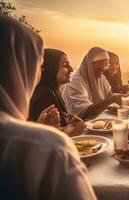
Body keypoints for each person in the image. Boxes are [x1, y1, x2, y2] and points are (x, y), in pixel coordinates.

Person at [0, 15, 96, 199]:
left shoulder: (53, 92)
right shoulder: (47, 147)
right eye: (36, 65)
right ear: (19, 69)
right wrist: (56, 137)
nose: (38, 73)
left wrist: (45, 130)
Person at [29, 49, 85, 136]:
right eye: (65, 65)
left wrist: (68, 120)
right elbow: (45, 136)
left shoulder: (51, 90)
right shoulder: (45, 95)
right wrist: (68, 132)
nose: (71, 69)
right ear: (50, 68)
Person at [63, 47, 123, 119]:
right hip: (78, 125)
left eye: (106, 64)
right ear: (90, 64)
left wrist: (121, 98)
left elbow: (110, 95)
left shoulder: (101, 78)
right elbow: (84, 112)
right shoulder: (76, 81)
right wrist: (111, 100)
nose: (104, 68)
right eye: (101, 63)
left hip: (99, 121)